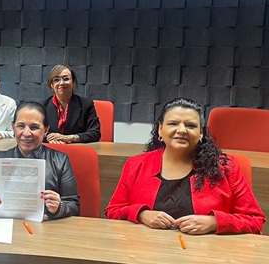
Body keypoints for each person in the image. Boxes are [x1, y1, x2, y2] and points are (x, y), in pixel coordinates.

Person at [104, 98, 266, 235]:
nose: (182, 130)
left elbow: (255, 220)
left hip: (207, 254)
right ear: (160, 129)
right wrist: (141, 214)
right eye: (173, 123)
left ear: (201, 133)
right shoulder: (136, 164)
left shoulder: (225, 167)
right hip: (146, 251)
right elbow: (113, 210)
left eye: (190, 125)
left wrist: (214, 222)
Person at [0, 102, 80, 219]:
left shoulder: (60, 160)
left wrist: (59, 208)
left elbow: (74, 206)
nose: (26, 133)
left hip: (46, 225)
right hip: (8, 224)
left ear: (45, 130)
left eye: (34, 127)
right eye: (21, 126)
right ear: (13, 128)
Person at [41, 64, 100, 144]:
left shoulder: (86, 104)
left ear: (73, 82)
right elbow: (35, 131)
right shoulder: (41, 106)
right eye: (56, 80)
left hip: (76, 149)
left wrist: (69, 138)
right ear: (51, 85)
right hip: (51, 149)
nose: (61, 83)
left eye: (66, 79)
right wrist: (50, 138)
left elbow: (95, 133)